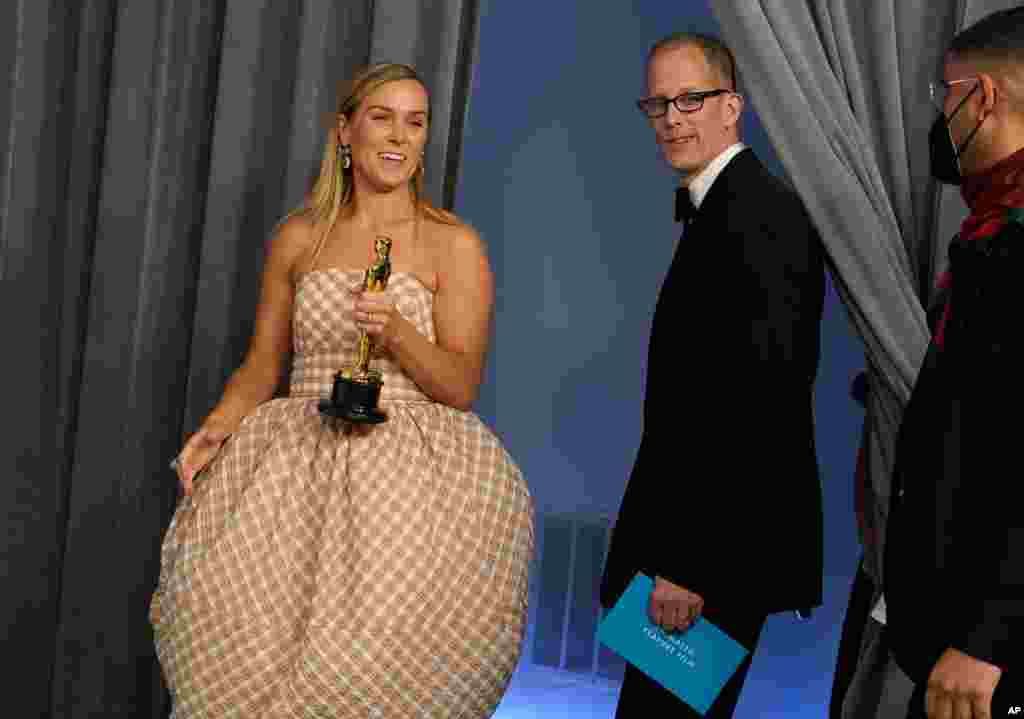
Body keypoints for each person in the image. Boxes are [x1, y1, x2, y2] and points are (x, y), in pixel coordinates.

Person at [151, 63, 534, 718]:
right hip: (292, 472)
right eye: (381, 117)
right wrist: (217, 426)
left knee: (362, 673)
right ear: (345, 131)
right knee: (238, 640)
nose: (399, 136)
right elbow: (262, 364)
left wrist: (398, 334)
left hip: (408, 490)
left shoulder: (453, 243)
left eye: (415, 122)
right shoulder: (298, 238)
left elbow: (461, 383)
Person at [599, 32, 825, 718]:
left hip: (709, 559)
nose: (672, 117)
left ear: (734, 106)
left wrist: (688, 563)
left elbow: (757, 402)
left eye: (690, 99)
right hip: (702, 552)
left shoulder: (760, 216)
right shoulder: (727, 209)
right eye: (658, 103)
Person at [883, 7, 1024, 717]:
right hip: (957, 643)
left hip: (991, 664)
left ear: (984, 98)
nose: (938, 113)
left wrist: (988, 633)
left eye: (946, 93)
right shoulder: (989, 227)